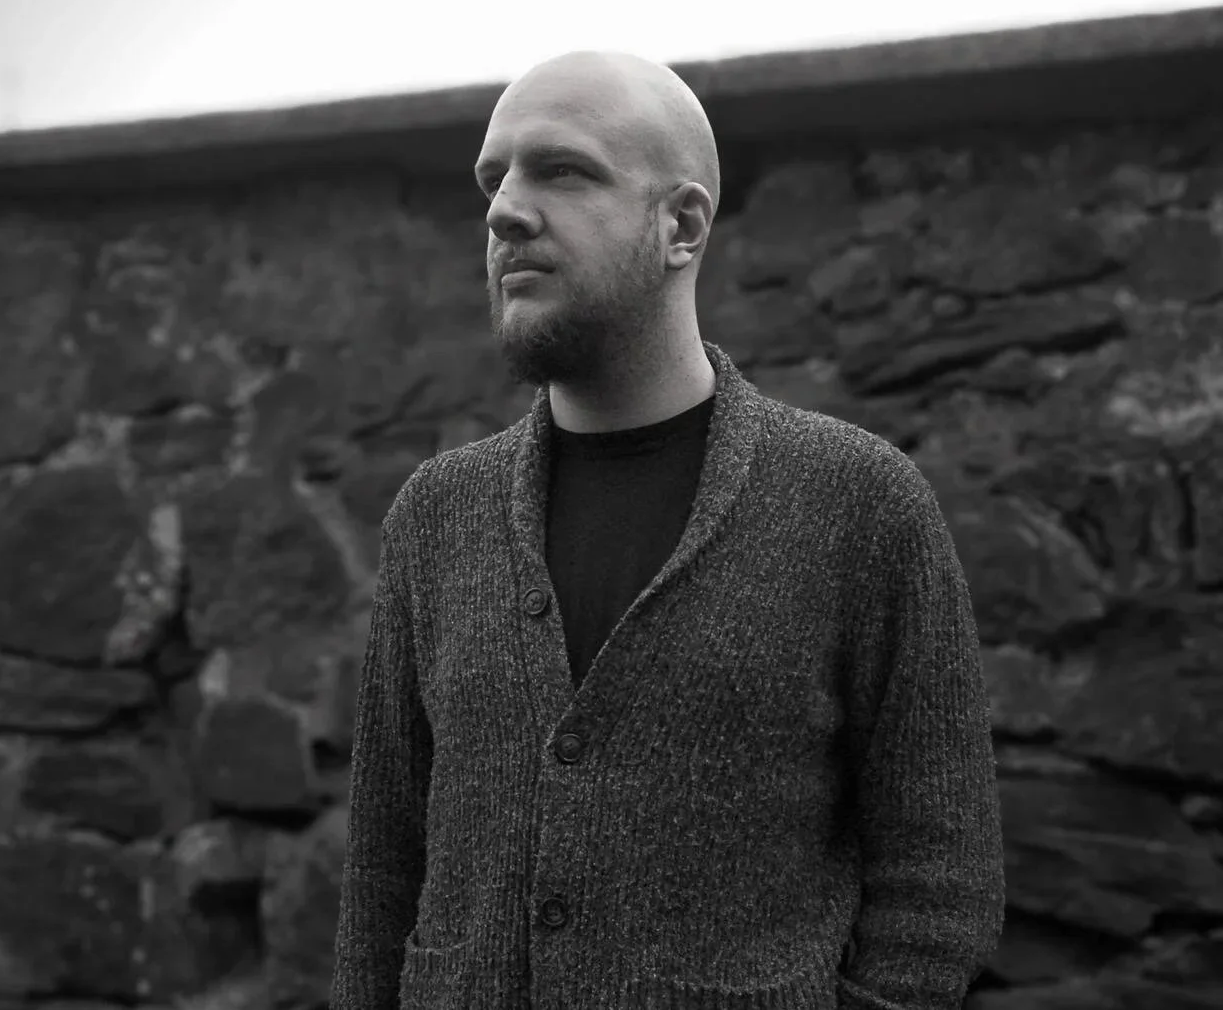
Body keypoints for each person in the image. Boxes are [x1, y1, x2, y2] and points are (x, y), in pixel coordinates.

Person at [331, 50, 1006, 1009]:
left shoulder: (856, 501)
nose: (504, 211)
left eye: (561, 170)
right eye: (493, 179)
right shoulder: (437, 516)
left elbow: (940, 880)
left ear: (680, 224)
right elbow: (382, 875)